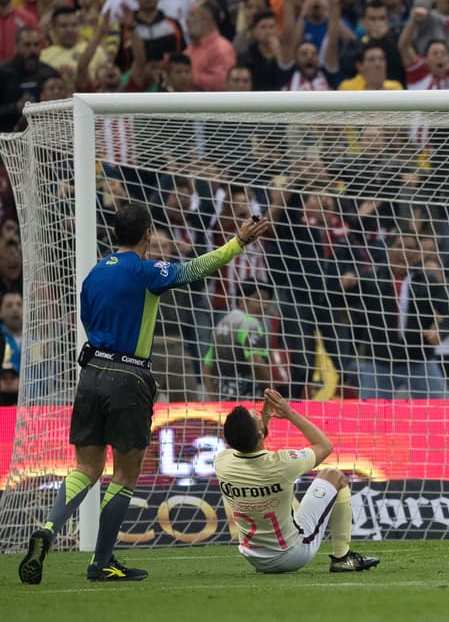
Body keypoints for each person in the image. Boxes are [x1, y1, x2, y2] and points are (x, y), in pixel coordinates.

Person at [18, 202, 271, 584]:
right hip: (128, 376)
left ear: (115, 234)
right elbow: (195, 269)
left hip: (89, 374)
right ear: (148, 235)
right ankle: (102, 561)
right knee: (124, 474)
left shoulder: (94, 274)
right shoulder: (146, 271)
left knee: (86, 468)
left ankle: (49, 529)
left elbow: (85, 319)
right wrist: (237, 243)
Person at [215, 388, 380, 574]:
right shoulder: (284, 464)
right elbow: (324, 446)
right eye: (255, 416)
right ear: (260, 434)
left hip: (254, 556)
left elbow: (253, 449)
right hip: (292, 555)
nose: (257, 412)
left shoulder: (222, 462)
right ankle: (343, 558)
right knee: (335, 476)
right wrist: (289, 413)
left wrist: (265, 418)